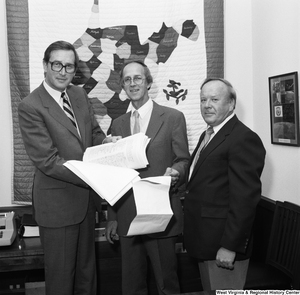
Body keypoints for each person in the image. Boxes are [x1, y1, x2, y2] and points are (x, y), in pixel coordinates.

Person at [18, 40, 120, 295]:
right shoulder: (30, 106)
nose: (63, 72)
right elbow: (48, 161)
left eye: (70, 66)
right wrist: (94, 176)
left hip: (85, 204)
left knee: (88, 277)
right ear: (45, 66)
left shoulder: (78, 94)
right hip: (57, 207)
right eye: (57, 65)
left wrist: (107, 144)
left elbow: (93, 134)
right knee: (62, 281)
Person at [105, 60, 190, 295]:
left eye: (138, 78)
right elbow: (113, 173)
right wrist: (112, 217)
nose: (133, 84)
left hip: (161, 214)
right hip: (127, 216)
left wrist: (177, 173)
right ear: (122, 86)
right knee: (131, 287)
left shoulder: (173, 117)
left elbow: (183, 160)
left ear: (149, 82)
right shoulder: (117, 123)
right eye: (127, 80)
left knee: (167, 285)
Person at [183, 78, 266, 290]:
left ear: (231, 104)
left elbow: (244, 200)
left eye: (214, 99)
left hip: (223, 247)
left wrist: (230, 246)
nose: (207, 105)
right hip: (205, 241)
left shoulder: (243, 138)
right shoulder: (209, 133)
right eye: (203, 99)